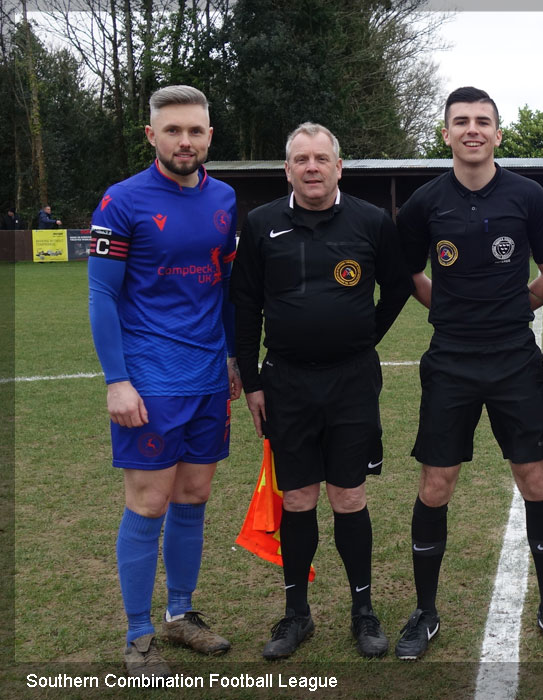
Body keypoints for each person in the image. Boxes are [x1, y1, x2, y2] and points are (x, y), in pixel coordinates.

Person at [393, 86, 543, 659]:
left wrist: (516, 307)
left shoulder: (527, 195)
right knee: (436, 483)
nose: (472, 130)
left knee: (535, 478)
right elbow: (406, 272)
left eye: (483, 121)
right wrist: (448, 309)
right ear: (446, 133)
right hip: (450, 359)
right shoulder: (426, 202)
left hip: (514, 358)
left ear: (497, 133)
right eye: (461, 122)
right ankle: (425, 612)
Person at [230, 122, 413, 660]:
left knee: (349, 496)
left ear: (339, 167)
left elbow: (400, 285)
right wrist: (253, 381)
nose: (312, 167)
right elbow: (245, 306)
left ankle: (364, 610)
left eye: (321, 159)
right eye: (300, 159)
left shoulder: (371, 221)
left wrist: (365, 336)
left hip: (353, 381)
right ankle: (297, 614)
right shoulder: (262, 224)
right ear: (288, 169)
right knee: (299, 497)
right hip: (285, 381)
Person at [87, 85, 240, 677]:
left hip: (206, 376)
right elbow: (102, 294)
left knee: (193, 498)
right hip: (149, 379)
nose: (185, 141)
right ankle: (139, 635)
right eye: (173, 130)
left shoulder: (224, 198)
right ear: (152, 135)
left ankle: (181, 616)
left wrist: (229, 359)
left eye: (195, 131)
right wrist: (116, 380)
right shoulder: (120, 201)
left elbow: (223, 288)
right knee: (147, 502)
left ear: (208, 137)